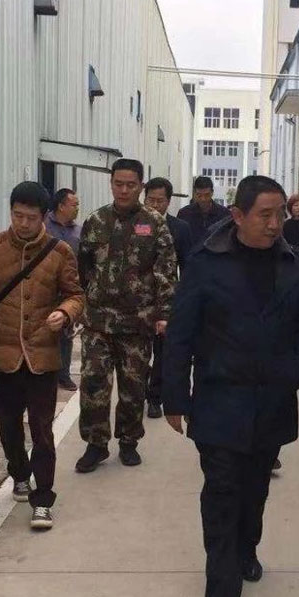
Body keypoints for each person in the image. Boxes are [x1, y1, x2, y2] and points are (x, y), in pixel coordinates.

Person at [162, 176, 299, 597]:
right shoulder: (205, 264)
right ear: (238, 215)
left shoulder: (295, 264)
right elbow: (180, 334)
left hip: (272, 399)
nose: (275, 224)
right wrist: (175, 396)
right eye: (264, 215)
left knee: (255, 490)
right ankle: (220, 596)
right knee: (221, 495)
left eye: (279, 215)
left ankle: (247, 548)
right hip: (220, 399)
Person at [0, 182, 85, 530]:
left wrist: (65, 312)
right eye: (17, 216)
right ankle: (18, 471)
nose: (23, 223)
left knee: (42, 430)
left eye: (31, 217)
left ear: (44, 216)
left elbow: (76, 295)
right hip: (1, 358)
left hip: (42, 356)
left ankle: (43, 500)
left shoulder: (60, 252)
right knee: (7, 427)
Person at [76, 159, 177, 472]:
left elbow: (165, 270)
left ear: (140, 186)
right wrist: (84, 302)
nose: (123, 190)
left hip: (137, 322)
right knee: (93, 384)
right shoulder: (96, 220)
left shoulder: (154, 223)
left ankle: (129, 441)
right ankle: (95, 444)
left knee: (133, 388)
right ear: (111, 184)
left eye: (130, 185)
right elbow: (83, 267)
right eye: (118, 184)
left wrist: (164, 313)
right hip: (98, 321)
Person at [143, 177, 193, 419]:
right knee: (136, 351)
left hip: (166, 301)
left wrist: (183, 298)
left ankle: (155, 397)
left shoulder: (180, 229)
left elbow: (188, 266)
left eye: (159, 201)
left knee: (163, 352)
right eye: (150, 200)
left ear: (168, 201)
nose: (154, 205)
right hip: (136, 301)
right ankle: (140, 390)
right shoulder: (135, 224)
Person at [45, 187, 82, 391]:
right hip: (44, 288)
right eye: (74, 205)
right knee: (44, 332)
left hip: (68, 290)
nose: (77, 208)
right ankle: (44, 375)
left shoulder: (79, 231)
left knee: (66, 334)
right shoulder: (42, 225)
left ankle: (63, 375)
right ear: (61, 206)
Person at [177, 175, 231, 239]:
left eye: (207, 195)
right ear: (194, 193)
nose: (203, 199)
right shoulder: (184, 214)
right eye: (199, 195)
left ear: (212, 193)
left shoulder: (225, 214)